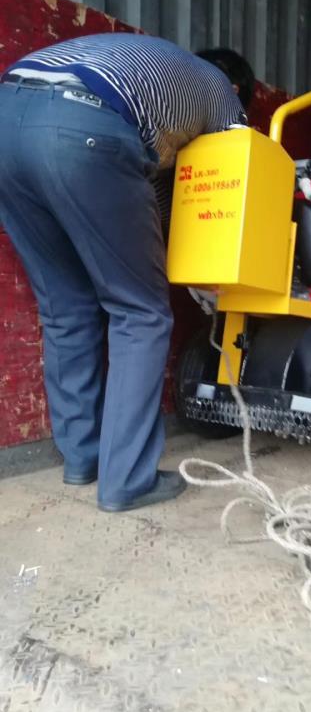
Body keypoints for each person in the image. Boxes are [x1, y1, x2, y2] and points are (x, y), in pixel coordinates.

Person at [0, 33, 255, 512]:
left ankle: (82, 459)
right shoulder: (221, 91)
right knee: (142, 314)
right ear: (237, 88)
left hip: (7, 121)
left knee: (65, 309)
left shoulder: (153, 68)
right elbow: (232, 176)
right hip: (86, 124)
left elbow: (144, 194)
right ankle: (127, 481)